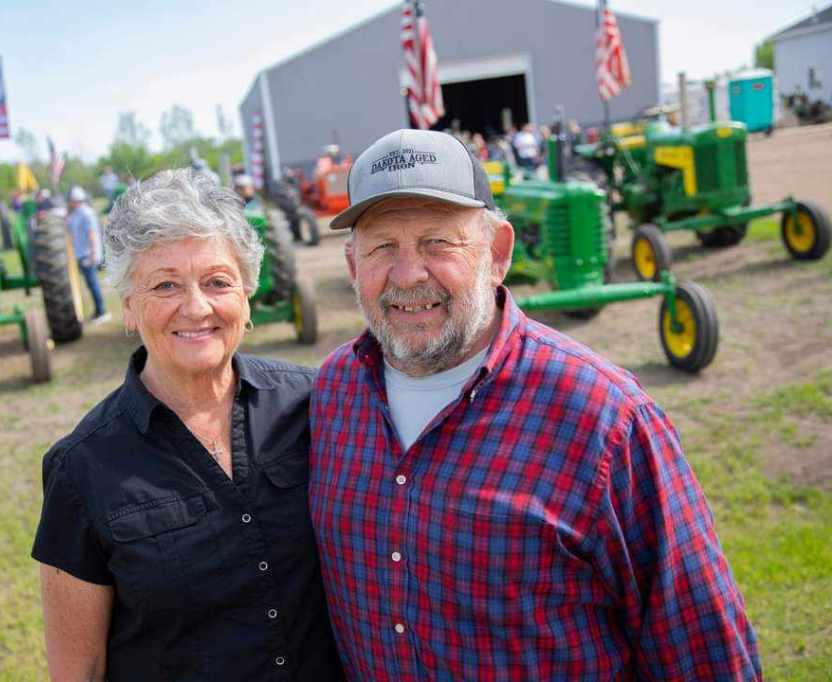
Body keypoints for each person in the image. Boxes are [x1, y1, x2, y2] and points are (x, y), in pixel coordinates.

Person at [309, 128, 761, 680]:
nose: (408, 275)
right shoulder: (332, 395)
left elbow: (702, 649)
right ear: (355, 267)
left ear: (497, 253)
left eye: (438, 243)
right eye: (383, 247)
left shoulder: (605, 419)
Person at [32, 169, 344, 681]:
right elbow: (79, 669)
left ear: (246, 295)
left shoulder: (316, 405)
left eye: (218, 282)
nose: (196, 307)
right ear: (130, 307)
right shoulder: (82, 468)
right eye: (165, 285)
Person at [66, 186, 110, 323]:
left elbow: (91, 234)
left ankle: (101, 311)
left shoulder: (85, 213)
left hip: (87, 254)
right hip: (82, 254)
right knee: (90, 284)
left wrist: (92, 254)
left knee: (93, 283)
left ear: (75, 200)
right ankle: (98, 310)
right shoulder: (77, 214)